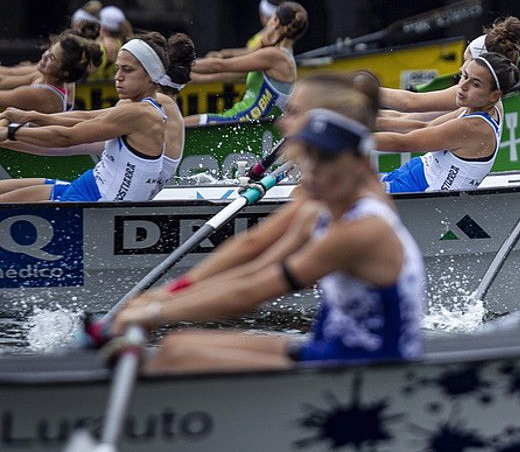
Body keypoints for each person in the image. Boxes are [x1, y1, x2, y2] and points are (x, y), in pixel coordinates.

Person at [110, 73, 426, 373]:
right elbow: (255, 256)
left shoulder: (360, 225)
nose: (281, 120)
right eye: (310, 157)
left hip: (366, 370)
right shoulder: (326, 196)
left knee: (178, 356)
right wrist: (168, 295)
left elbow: (251, 292)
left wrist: (156, 310)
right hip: (335, 348)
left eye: (293, 111)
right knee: (174, 345)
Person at [0, 34, 193, 202]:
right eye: (117, 69)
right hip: (90, 185)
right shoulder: (132, 105)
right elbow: (85, 118)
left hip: (97, 202)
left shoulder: (141, 113)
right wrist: (33, 117)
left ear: (151, 76)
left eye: (127, 70)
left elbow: (67, 138)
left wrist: (12, 132)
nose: (117, 77)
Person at [376, 51, 519, 193]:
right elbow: (425, 126)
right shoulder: (485, 105)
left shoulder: (474, 127)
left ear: (495, 96)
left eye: (475, 84)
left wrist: (356, 137)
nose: (462, 86)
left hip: (419, 191)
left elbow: (403, 143)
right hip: (413, 172)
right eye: (465, 76)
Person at [378, 16, 520, 124]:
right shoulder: (483, 97)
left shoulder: (469, 94)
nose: (461, 68)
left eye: (466, 60)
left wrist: (362, 90)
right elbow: (407, 118)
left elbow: (410, 103)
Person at [185, 1, 308, 125]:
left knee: (177, 124)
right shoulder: (279, 56)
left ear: (275, 21)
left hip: (241, 124)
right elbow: (235, 76)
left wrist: (176, 63)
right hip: (243, 122)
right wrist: (188, 77)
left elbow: (219, 66)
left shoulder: (275, 56)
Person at [0, 32, 101, 114]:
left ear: (64, 72)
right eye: (49, 50)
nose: (45, 56)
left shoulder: (42, 94)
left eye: (52, 58)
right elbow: (6, 77)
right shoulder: (49, 76)